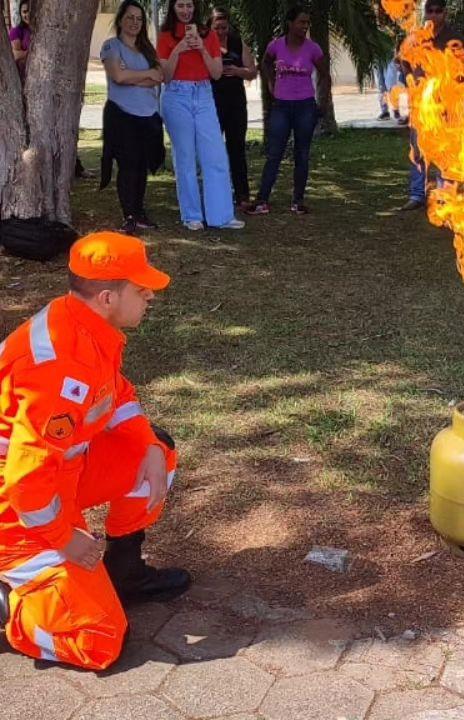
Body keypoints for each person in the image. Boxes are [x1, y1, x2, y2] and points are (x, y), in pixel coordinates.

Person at [0, 232, 190, 671]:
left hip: (58, 478)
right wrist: (65, 540)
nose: (149, 299)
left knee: (159, 448)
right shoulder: (61, 365)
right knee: (99, 641)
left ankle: (124, 571)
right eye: (142, 292)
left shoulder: (86, 325)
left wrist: (148, 444)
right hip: (18, 508)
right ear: (107, 296)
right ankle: (9, 603)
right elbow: (25, 481)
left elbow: (117, 394)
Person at [157, 0, 245, 231]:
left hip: (204, 94)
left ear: (196, 8)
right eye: (180, 6)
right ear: (173, 8)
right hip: (177, 95)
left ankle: (222, 216)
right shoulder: (165, 35)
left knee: (215, 154)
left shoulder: (208, 35)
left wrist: (201, 49)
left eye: (189, 6)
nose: (185, 11)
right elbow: (164, 76)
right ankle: (192, 215)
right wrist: (179, 49)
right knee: (185, 157)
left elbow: (216, 73)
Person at [245, 6, 328, 216]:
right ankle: (262, 200)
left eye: (307, 23)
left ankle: (298, 201)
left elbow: (325, 74)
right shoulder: (276, 46)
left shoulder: (313, 49)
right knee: (274, 154)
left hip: (305, 107)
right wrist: (272, 84)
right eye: (301, 22)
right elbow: (265, 62)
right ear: (290, 23)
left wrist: (322, 103)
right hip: (281, 106)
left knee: (302, 153)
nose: (305, 26)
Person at [100, 1, 165, 235]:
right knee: (127, 165)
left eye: (139, 19)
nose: (135, 23)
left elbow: (159, 77)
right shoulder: (111, 46)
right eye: (130, 17)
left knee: (141, 165)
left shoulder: (147, 50)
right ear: (120, 20)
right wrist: (144, 75)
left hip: (147, 115)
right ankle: (128, 214)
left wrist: (133, 76)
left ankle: (139, 211)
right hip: (122, 114)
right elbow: (117, 75)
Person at [401, 0, 464, 211]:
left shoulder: (454, 38)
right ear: (425, 12)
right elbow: (404, 62)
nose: (434, 15)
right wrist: (413, 82)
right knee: (418, 148)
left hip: (447, 102)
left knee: (445, 150)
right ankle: (417, 194)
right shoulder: (416, 37)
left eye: (439, 11)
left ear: (445, 13)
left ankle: (443, 195)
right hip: (421, 103)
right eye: (430, 11)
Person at [209, 7, 257, 211]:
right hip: (212, 101)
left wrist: (238, 71)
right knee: (213, 150)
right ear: (210, 27)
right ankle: (216, 194)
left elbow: (252, 72)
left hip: (236, 101)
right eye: (216, 27)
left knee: (236, 148)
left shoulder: (238, 43)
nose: (220, 31)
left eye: (224, 27)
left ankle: (242, 195)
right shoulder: (205, 45)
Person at [9, 0, 31, 82]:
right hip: (23, 78)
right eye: (24, 12)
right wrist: (31, 53)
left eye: (29, 11)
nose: (27, 14)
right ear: (20, 14)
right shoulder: (16, 31)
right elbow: (15, 55)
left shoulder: (38, 30)